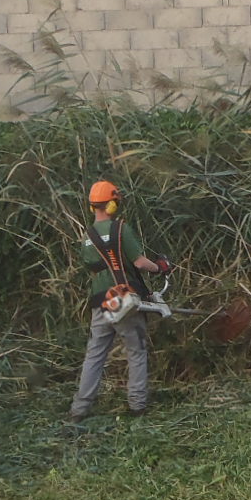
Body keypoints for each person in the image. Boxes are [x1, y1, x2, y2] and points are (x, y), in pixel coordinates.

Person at [68, 179, 171, 420]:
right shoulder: (121, 228)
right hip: (124, 299)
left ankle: (79, 410)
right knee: (135, 350)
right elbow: (139, 262)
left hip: (100, 300)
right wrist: (160, 267)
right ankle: (137, 406)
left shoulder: (87, 235)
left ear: (93, 206)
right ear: (112, 205)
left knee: (94, 354)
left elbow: (91, 267)